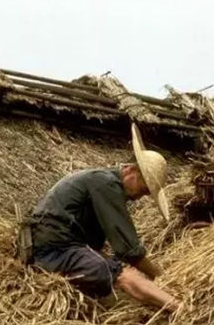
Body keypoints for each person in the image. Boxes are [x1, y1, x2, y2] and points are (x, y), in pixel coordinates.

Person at [23, 124, 181, 312]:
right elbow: (129, 250)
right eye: (144, 189)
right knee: (122, 273)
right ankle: (180, 307)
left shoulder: (100, 180)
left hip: (51, 244)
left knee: (111, 266)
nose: (142, 196)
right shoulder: (106, 184)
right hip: (55, 248)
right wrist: (161, 276)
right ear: (131, 171)